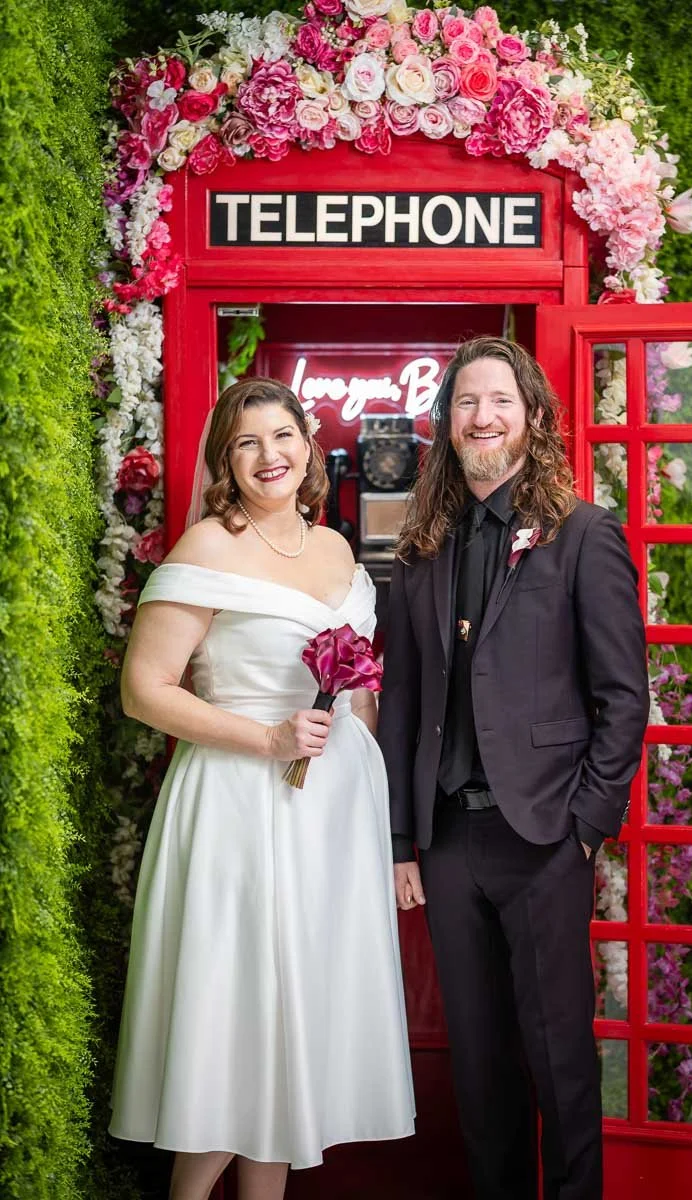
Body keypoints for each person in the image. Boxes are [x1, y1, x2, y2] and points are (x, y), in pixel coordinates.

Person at [110, 378, 414, 1200]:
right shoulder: (207, 547)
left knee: (287, 1051)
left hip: (328, 818)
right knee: (236, 1037)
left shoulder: (336, 549)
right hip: (240, 807)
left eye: (282, 436)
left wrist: (375, 808)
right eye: (247, 443)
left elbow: (360, 693)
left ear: (309, 446)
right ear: (226, 460)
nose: (269, 456)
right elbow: (146, 690)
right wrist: (269, 738)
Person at [377, 337, 649, 1200]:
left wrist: (585, 829)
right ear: (447, 423)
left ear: (533, 416)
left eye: (499, 400)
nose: (482, 416)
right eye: (465, 403)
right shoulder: (423, 548)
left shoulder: (582, 534)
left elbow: (623, 697)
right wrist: (402, 840)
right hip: (451, 841)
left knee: (560, 1059)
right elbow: (406, 703)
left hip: (543, 840)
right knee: (481, 1069)